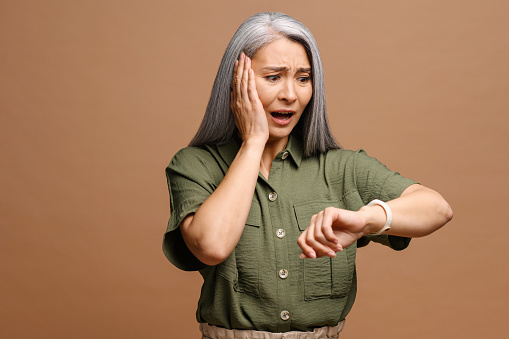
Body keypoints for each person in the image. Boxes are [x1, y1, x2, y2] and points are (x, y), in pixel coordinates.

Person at [163, 12, 453, 338]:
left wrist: (368, 219)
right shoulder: (194, 166)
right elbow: (211, 246)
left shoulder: (341, 167)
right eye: (274, 77)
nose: (291, 94)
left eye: (303, 78)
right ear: (236, 83)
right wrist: (253, 143)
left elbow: (437, 208)